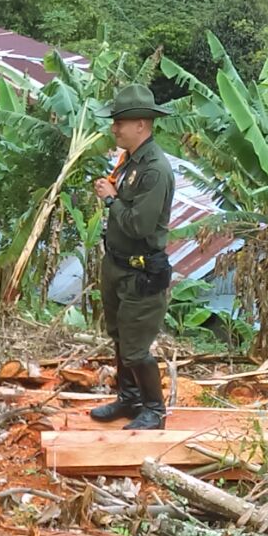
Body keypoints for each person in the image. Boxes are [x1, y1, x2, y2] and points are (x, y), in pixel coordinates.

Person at [90, 85, 176, 431]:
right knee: (121, 338)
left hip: (141, 272)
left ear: (141, 124)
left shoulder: (155, 170)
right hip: (118, 265)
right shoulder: (130, 162)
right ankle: (129, 399)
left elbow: (141, 224)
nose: (115, 128)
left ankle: (154, 410)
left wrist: (111, 200)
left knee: (137, 347)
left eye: (121, 122)